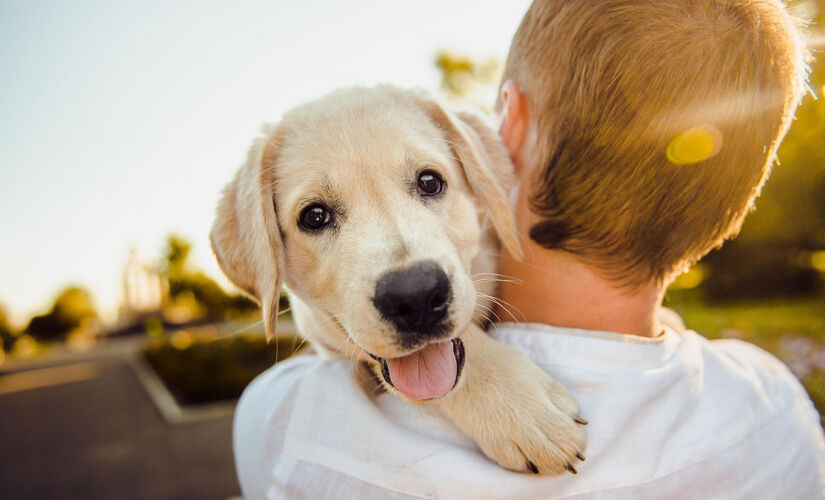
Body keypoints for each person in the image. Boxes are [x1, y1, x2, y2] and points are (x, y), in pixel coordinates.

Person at [233, 0, 825, 498]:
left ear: (505, 127)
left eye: (429, 183)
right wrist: (473, 371)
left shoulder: (290, 428)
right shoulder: (778, 411)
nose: (408, 276)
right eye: (317, 216)